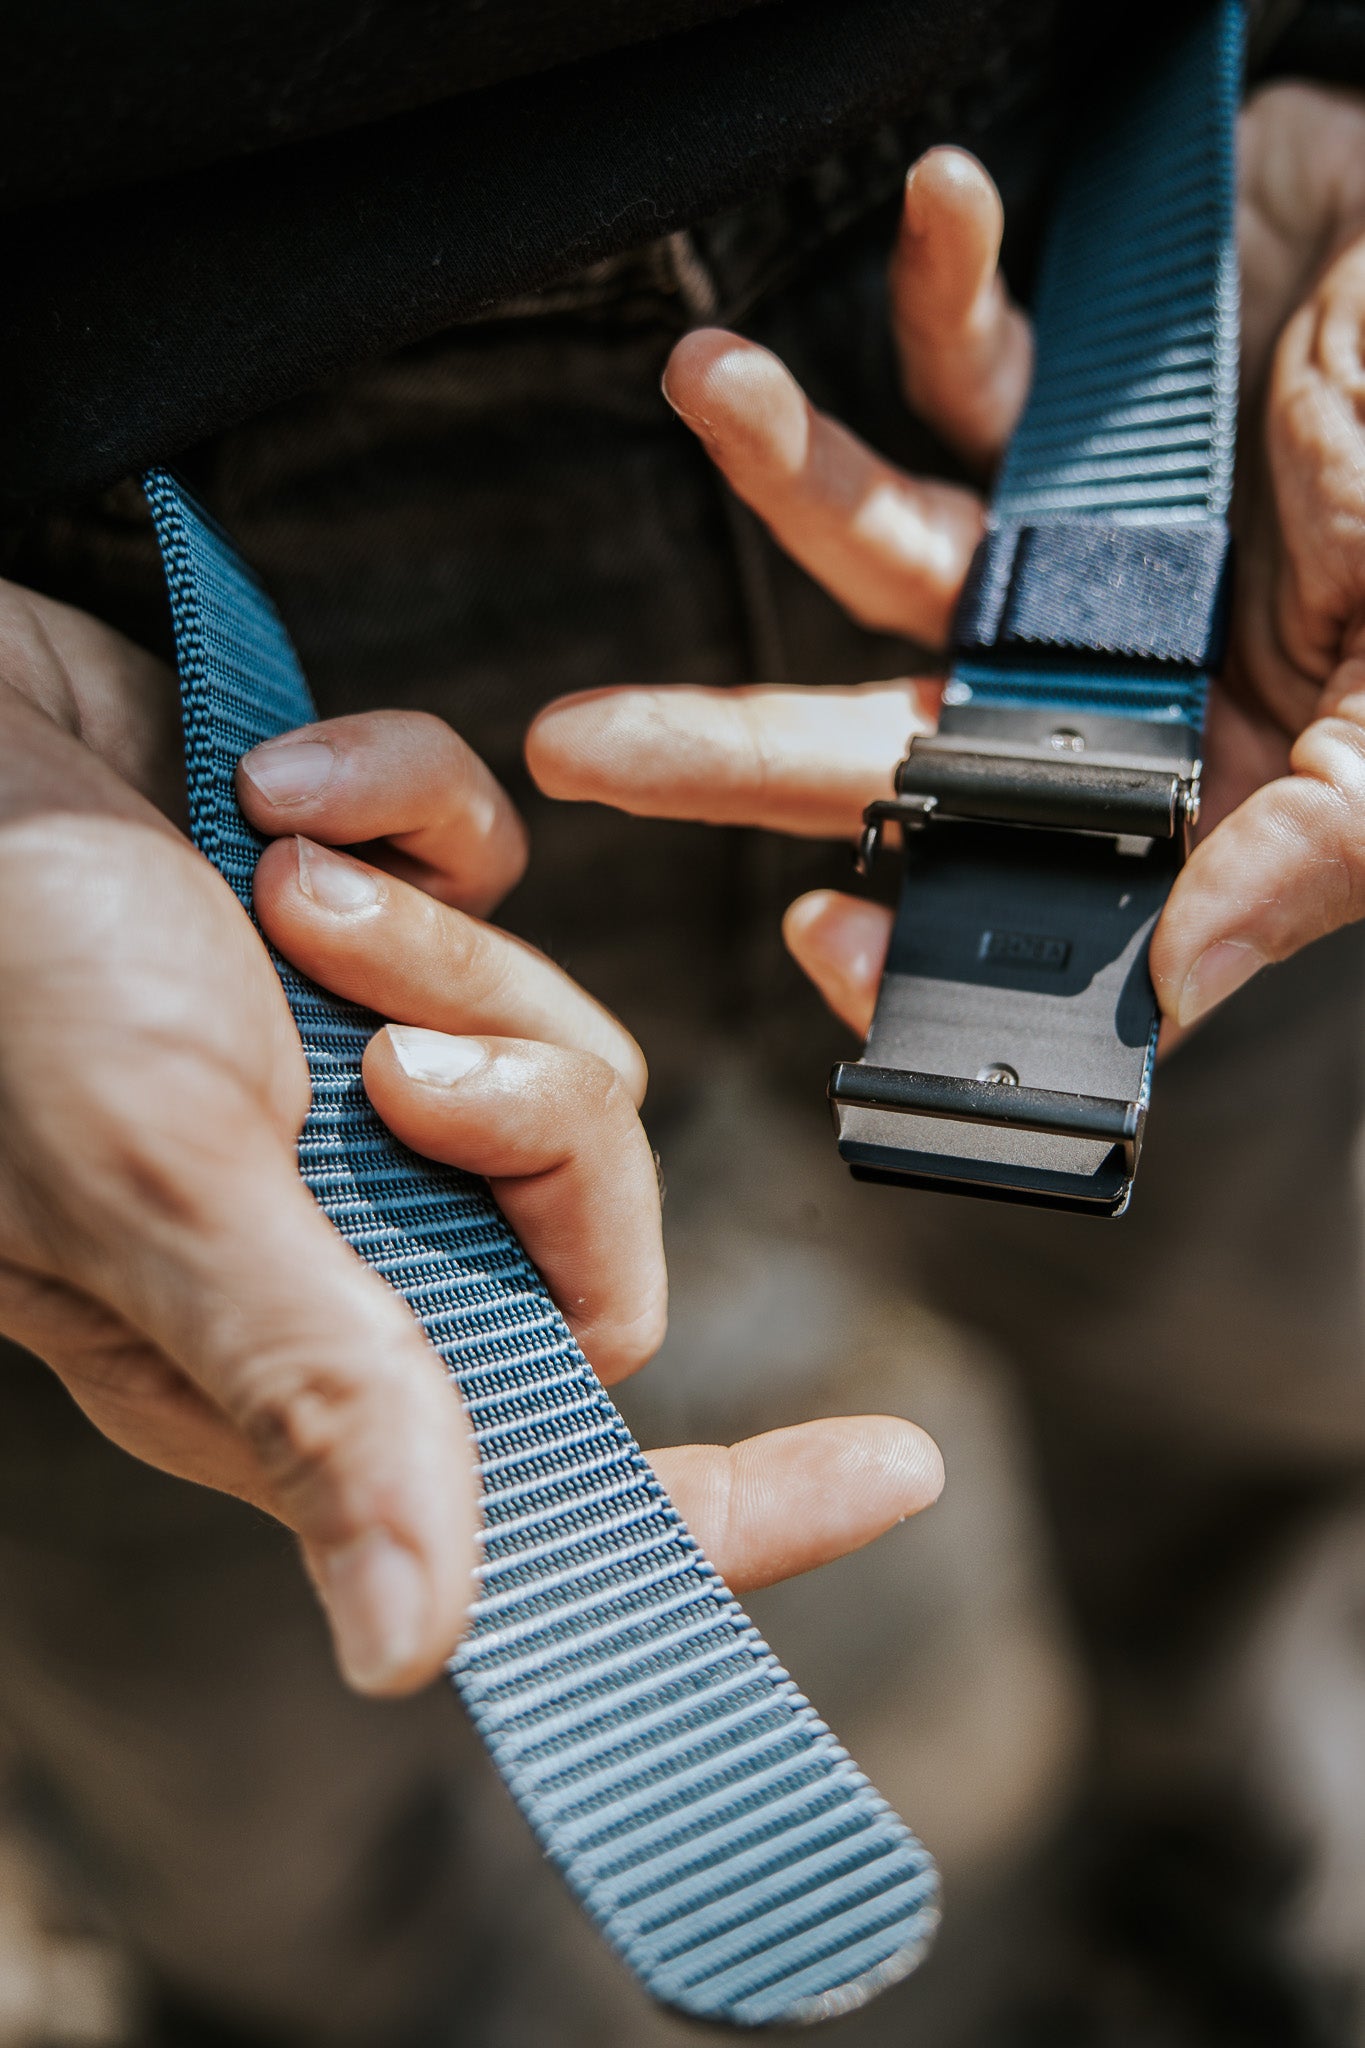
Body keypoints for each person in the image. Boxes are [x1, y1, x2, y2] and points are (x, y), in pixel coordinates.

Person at [3, 2, 1365, 2040]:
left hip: (1136, 345)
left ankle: (1240, 1897)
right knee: (253, 1711)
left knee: (1259, 1390)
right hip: (107, 599)